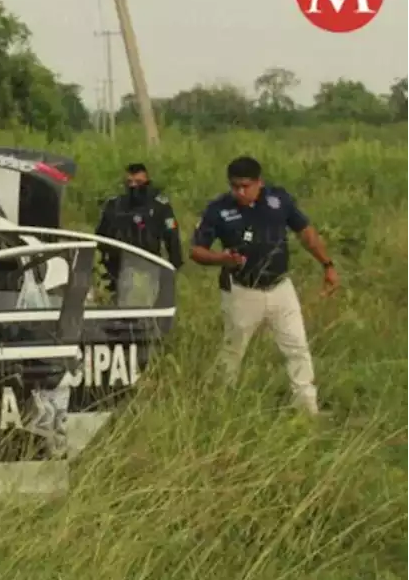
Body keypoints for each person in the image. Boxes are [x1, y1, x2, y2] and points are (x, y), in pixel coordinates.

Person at [190, 156, 339, 416]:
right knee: (232, 352)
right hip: (242, 291)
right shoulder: (218, 209)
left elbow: (306, 233)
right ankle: (221, 407)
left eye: (246, 186)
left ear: (260, 182)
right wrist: (221, 259)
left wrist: (327, 264)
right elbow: (196, 251)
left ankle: (306, 408)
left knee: (297, 348)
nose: (240, 192)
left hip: (281, 288)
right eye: (234, 186)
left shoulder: (279, 200)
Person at [94, 162, 182, 304]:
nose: (133, 186)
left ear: (147, 182)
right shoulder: (115, 205)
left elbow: (171, 234)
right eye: (130, 182)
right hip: (117, 268)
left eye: (138, 182)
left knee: (145, 308)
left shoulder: (159, 206)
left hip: (149, 265)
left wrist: (174, 264)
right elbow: (100, 236)